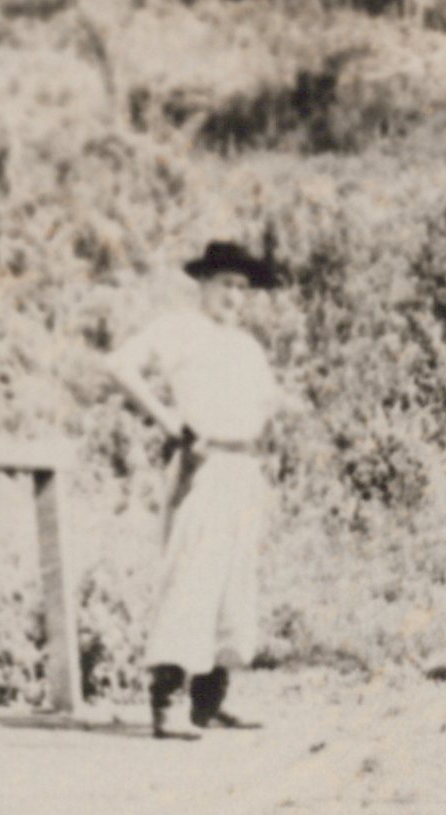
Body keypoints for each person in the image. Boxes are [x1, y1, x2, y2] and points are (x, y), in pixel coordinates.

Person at [106, 240, 283, 739]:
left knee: (234, 584)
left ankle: (210, 701)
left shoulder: (245, 346)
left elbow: (265, 402)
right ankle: (166, 702)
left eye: (243, 289)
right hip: (203, 465)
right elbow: (119, 365)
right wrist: (169, 421)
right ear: (203, 283)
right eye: (226, 285)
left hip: (243, 468)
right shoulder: (179, 329)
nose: (234, 297)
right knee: (191, 577)